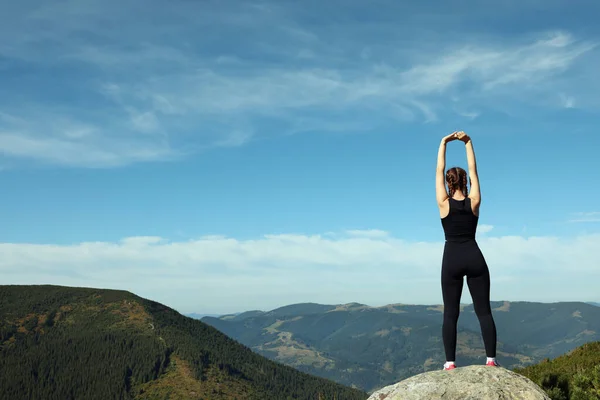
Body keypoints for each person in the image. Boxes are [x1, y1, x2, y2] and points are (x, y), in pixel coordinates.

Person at [435, 131, 499, 371]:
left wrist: (443, 143)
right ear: (465, 183)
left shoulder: (443, 203)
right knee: (484, 312)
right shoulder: (474, 201)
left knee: (450, 313)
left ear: (448, 184)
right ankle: (491, 360)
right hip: (474, 256)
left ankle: (450, 363)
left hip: (451, 258)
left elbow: (438, 171)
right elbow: (474, 170)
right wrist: (468, 142)